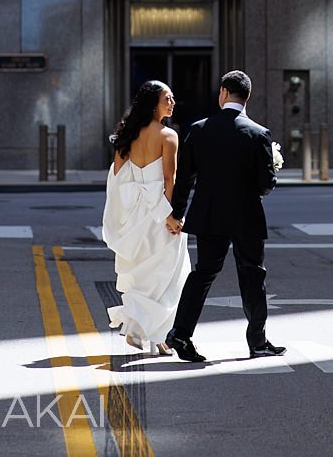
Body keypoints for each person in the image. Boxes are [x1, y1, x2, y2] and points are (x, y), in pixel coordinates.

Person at [164, 69, 286, 362]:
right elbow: (266, 184)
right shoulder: (259, 134)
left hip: (210, 214)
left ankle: (180, 334)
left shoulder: (200, 129)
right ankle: (257, 341)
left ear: (222, 92)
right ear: (247, 97)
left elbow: (185, 179)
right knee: (253, 275)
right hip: (246, 215)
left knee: (203, 274)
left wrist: (177, 213)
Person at [102, 80, 190, 355]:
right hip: (159, 212)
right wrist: (171, 215)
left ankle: (142, 330)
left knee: (142, 274)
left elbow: (118, 178)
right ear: (153, 103)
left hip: (136, 215)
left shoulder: (127, 134)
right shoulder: (168, 136)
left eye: (173, 97)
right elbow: (169, 179)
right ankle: (157, 334)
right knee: (168, 274)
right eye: (167, 98)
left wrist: (125, 215)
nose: (172, 102)